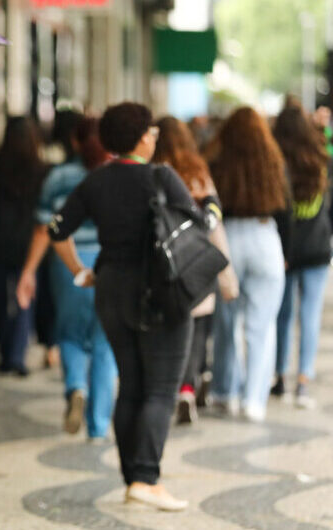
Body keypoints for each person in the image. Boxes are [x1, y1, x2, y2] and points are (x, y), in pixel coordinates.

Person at [40, 102, 214, 511]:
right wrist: (212, 206)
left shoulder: (95, 181)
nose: (155, 139)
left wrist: (79, 271)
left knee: (131, 386)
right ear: (142, 137)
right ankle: (146, 479)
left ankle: (132, 476)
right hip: (160, 292)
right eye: (152, 134)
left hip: (110, 288)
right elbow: (200, 227)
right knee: (160, 389)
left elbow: (56, 228)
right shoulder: (160, 177)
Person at [16, 116, 118, 441]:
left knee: (70, 335)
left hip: (67, 263)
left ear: (75, 141)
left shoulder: (58, 177)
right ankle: (98, 425)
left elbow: (44, 228)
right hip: (109, 263)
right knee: (104, 344)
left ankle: (76, 386)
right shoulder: (116, 176)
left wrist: (28, 271)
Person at [152, 116, 239, 424]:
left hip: (162, 263)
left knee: (167, 330)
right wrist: (224, 269)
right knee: (198, 331)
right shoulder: (197, 170)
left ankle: (171, 388)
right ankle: (188, 387)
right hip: (197, 262)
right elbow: (215, 223)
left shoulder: (152, 171)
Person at [208, 106, 291, 423]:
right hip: (264, 234)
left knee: (226, 322)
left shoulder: (219, 161)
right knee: (262, 325)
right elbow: (287, 210)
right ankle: (254, 400)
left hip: (227, 237)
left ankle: (225, 392)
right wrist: (287, 251)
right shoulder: (273, 160)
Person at [0, 117, 50, 376]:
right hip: (29, 245)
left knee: (0, 300)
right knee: (24, 298)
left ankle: (5, 354)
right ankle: (17, 355)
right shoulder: (42, 170)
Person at [271, 102, 331, 408]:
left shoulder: (277, 160)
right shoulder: (321, 157)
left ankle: (280, 376)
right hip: (318, 247)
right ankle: (303, 380)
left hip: (287, 249)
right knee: (310, 315)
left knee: (283, 314)